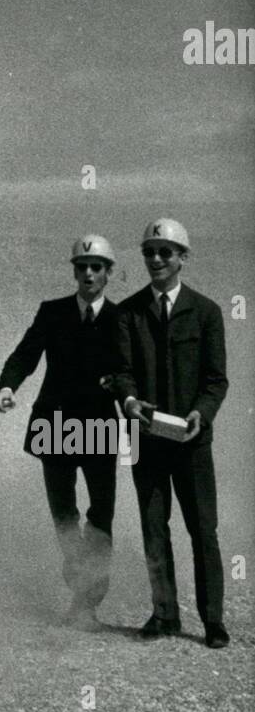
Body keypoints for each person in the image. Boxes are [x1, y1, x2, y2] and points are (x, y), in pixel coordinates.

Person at [112, 219, 229, 648]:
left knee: (203, 530)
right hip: (144, 439)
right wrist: (129, 402)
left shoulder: (207, 312)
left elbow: (217, 380)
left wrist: (201, 413)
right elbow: (122, 372)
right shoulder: (128, 313)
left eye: (165, 251)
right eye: (149, 252)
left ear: (183, 257)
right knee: (153, 527)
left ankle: (212, 621)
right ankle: (164, 614)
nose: (156, 259)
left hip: (192, 442)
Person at [0, 235, 121, 630]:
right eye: (81, 266)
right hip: (57, 425)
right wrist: (6, 386)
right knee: (64, 514)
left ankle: (89, 601)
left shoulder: (123, 319)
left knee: (100, 515)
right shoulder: (53, 313)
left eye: (96, 266)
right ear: (74, 271)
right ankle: (77, 587)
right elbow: (25, 354)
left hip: (100, 427)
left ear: (108, 273)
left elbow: (137, 371)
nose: (88, 273)